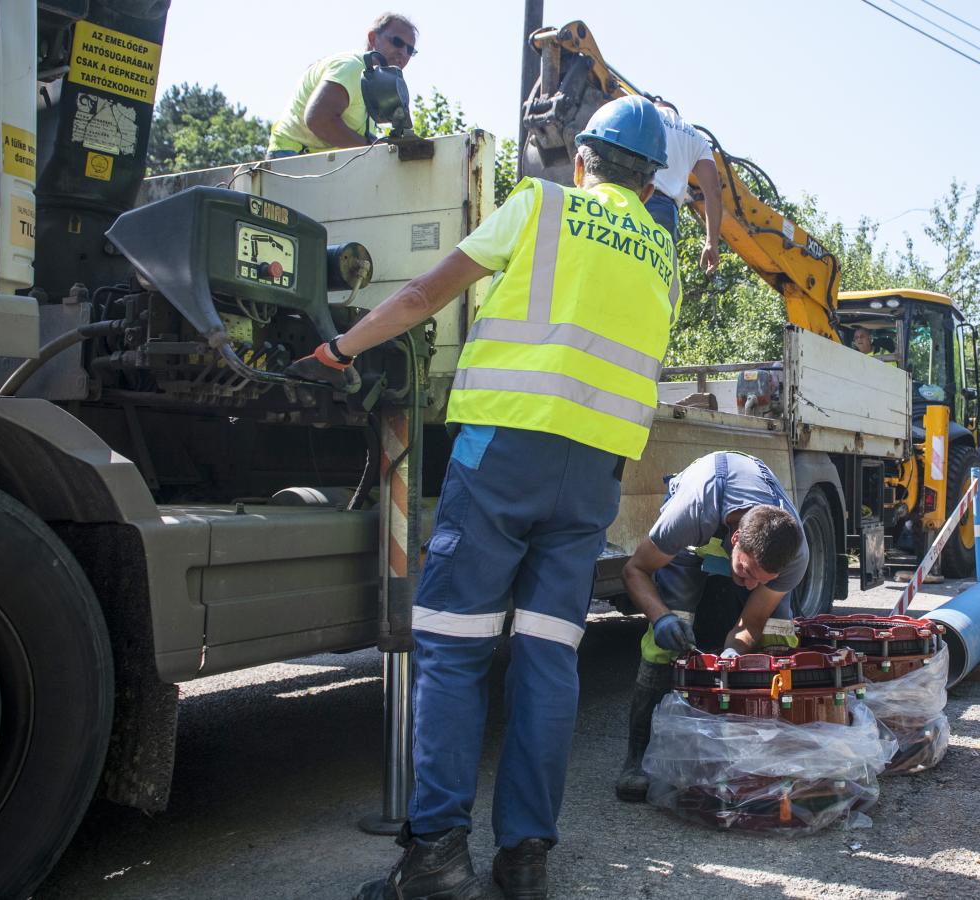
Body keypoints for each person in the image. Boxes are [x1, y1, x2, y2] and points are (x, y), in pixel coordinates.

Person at [288, 95, 676, 900]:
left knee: (456, 648)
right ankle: (526, 858)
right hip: (591, 476)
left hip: (505, 451)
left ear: (583, 161)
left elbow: (424, 296)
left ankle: (435, 858)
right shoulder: (662, 251)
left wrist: (336, 348)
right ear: (648, 184)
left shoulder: (542, 204)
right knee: (546, 657)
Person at [612, 451, 808, 802]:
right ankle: (637, 759)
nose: (748, 586)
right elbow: (634, 571)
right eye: (746, 573)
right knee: (667, 638)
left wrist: (733, 653)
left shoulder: (795, 556)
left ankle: (760, 753)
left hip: (737, 528)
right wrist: (662, 618)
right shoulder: (690, 513)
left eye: (761, 581)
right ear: (735, 542)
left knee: (777, 632)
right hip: (697, 531)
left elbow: (751, 622)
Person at [266, 13, 419, 158]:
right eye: (397, 42)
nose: (403, 53)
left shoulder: (377, 83)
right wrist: (370, 146)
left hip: (320, 163)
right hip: (292, 156)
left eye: (410, 50)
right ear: (372, 38)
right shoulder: (353, 68)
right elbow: (319, 120)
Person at [644, 99, 723, 273]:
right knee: (653, 274)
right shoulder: (696, 138)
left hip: (633, 195)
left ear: (657, 106)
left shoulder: (645, 113)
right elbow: (714, 192)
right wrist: (711, 242)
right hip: (665, 213)